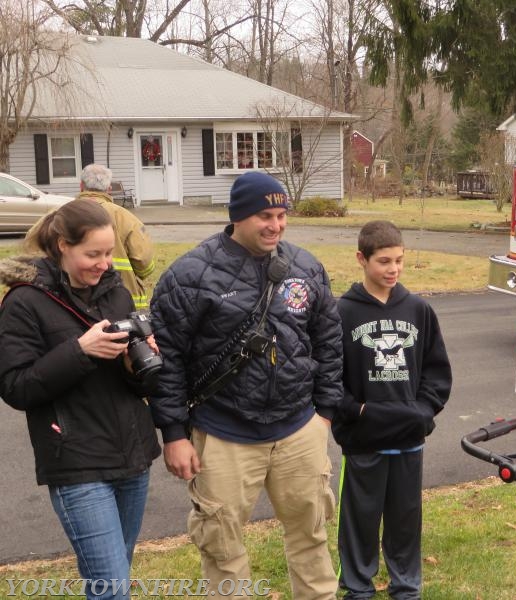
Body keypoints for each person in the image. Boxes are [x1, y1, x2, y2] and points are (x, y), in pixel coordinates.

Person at [148, 171, 342, 599]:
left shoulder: (305, 267)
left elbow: (329, 342)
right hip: (223, 433)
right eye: (264, 216)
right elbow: (168, 361)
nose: (276, 225)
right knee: (222, 549)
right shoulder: (189, 275)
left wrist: (324, 415)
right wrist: (175, 435)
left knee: (311, 538)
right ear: (237, 216)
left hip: (298, 431)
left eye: (281, 215)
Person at [0, 198, 161, 600]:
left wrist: (138, 363)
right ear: (61, 245)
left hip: (132, 457)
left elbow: (138, 387)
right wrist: (80, 350)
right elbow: (16, 387)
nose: (105, 263)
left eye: (108, 253)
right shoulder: (23, 302)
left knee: (115, 577)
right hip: (77, 463)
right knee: (111, 589)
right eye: (93, 254)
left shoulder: (115, 294)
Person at [332, 220, 452, 600]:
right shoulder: (342, 313)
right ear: (361, 259)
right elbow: (329, 378)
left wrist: (423, 412)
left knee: (404, 520)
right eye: (384, 261)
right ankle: (357, 587)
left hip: (408, 440)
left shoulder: (418, 310)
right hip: (363, 440)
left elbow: (437, 372)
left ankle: (406, 586)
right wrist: (356, 410)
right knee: (359, 520)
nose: (393, 269)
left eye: (399, 261)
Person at [26, 164, 155, 310]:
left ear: (81, 186)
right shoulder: (126, 218)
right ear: (109, 189)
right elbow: (145, 265)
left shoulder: (58, 215)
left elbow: (33, 254)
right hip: (121, 302)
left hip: (67, 302)